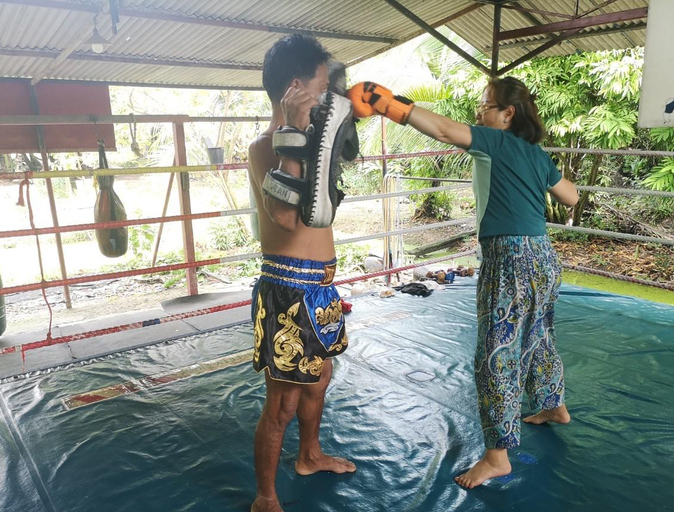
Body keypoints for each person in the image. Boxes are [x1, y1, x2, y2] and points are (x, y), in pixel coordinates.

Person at [348, 77, 578, 488]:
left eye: (487, 105)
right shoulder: (535, 152)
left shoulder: (495, 140)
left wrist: (392, 106)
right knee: (539, 334)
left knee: (497, 352)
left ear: (507, 114)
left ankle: (497, 457)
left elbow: (440, 128)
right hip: (543, 258)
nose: (480, 112)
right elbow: (571, 197)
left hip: (509, 260)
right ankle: (553, 405)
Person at [247, 34, 356, 512]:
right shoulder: (264, 147)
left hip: (321, 287)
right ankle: (265, 498)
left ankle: (309, 456)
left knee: (319, 380)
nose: (327, 92)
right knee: (284, 403)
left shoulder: (313, 141)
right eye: (320, 83)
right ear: (295, 88)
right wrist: (294, 133)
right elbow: (287, 219)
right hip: (288, 287)